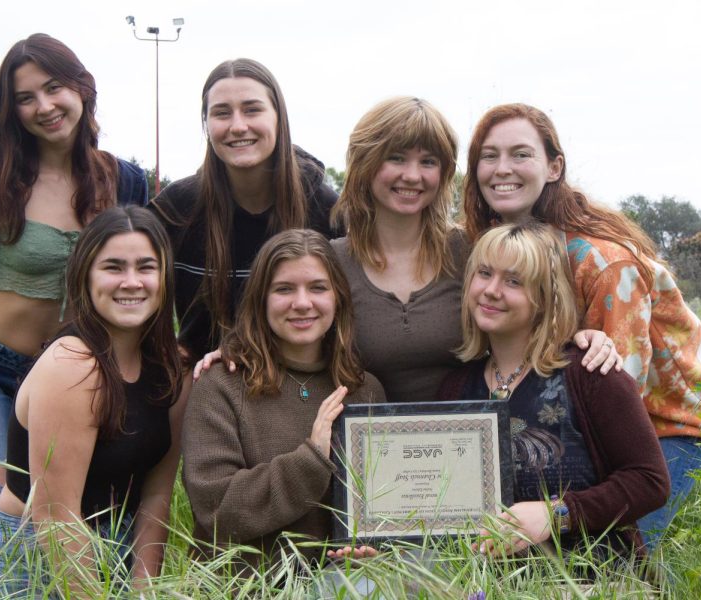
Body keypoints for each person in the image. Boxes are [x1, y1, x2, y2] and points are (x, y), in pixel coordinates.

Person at [0, 33, 148, 555]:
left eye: (54, 87)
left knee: (65, 512)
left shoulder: (125, 180)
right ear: (11, 109)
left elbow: (143, 277)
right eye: (25, 97)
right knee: (0, 510)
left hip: (74, 372)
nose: (44, 106)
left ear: (81, 88)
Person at [463, 103, 701, 548]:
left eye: (520, 154)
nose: (502, 168)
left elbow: (620, 402)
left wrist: (563, 510)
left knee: (616, 540)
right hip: (581, 407)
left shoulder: (605, 263)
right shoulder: (502, 245)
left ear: (554, 166)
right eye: (489, 156)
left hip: (667, 425)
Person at [329, 97, 618, 404]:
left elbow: (536, 327)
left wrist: (585, 339)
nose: (412, 176)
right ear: (365, 161)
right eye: (396, 158)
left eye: (428, 162)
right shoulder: (331, 263)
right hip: (368, 444)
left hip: (475, 438)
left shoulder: (474, 251)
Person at [0, 206, 188, 596]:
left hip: (115, 545)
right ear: (85, 276)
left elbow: (156, 495)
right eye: (113, 267)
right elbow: (56, 517)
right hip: (33, 555)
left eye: (146, 267)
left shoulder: (173, 369)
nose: (132, 282)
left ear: (165, 277)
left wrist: (143, 590)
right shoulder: (72, 364)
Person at [438, 221, 670, 559]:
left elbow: (650, 482)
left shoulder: (591, 373)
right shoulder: (455, 388)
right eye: (484, 273)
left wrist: (556, 514)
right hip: (484, 587)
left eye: (514, 281)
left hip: (592, 580)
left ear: (545, 297)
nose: (491, 290)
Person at [182, 229, 385, 567]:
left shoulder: (365, 390)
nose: (302, 303)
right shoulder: (221, 385)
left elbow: (378, 507)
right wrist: (311, 460)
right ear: (261, 299)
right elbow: (216, 509)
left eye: (317, 288)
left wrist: (374, 545)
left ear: (338, 298)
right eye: (284, 289)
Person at [149, 58, 340, 362]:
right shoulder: (176, 210)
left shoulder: (326, 211)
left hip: (304, 386)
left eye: (252, 109)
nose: (238, 126)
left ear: (279, 117)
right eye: (222, 113)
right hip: (204, 386)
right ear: (206, 124)